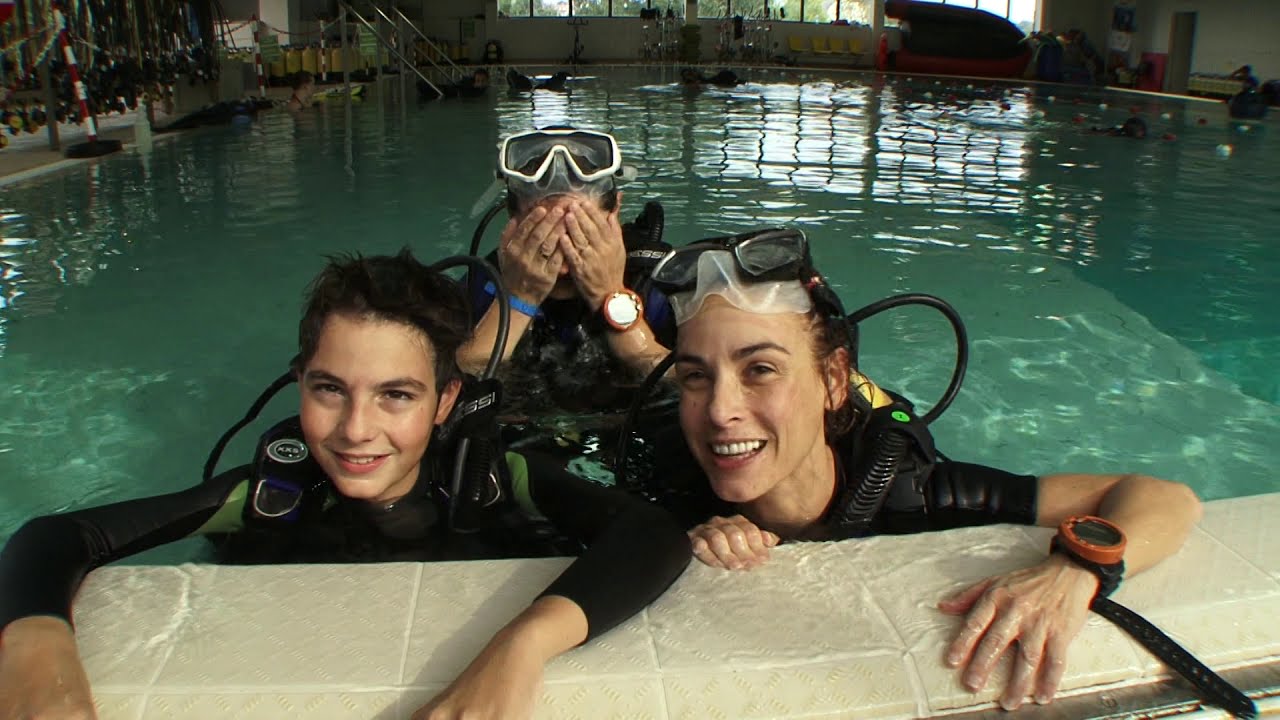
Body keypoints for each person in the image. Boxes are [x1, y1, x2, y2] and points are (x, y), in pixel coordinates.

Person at [0, 250, 690, 720]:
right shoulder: (276, 490)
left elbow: (651, 533)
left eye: (396, 396)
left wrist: (522, 647)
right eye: (330, 390)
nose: (357, 430)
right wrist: (37, 645)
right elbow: (59, 536)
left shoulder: (492, 477)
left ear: (446, 403)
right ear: (301, 381)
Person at [642, 227, 1203, 712]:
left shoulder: (915, 490)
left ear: (836, 380)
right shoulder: (669, 483)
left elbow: (1164, 496)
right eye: (696, 376)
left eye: (761, 369)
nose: (719, 410)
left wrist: (1078, 571)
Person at [459, 127, 675, 413]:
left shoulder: (658, 282)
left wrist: (610, 297)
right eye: (542, 229)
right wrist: (518, 297)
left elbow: (694, 388)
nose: (560, 248)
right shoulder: (484, 284)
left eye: (579, 229)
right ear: (513, 222)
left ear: (614, 214)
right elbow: (448, 392)